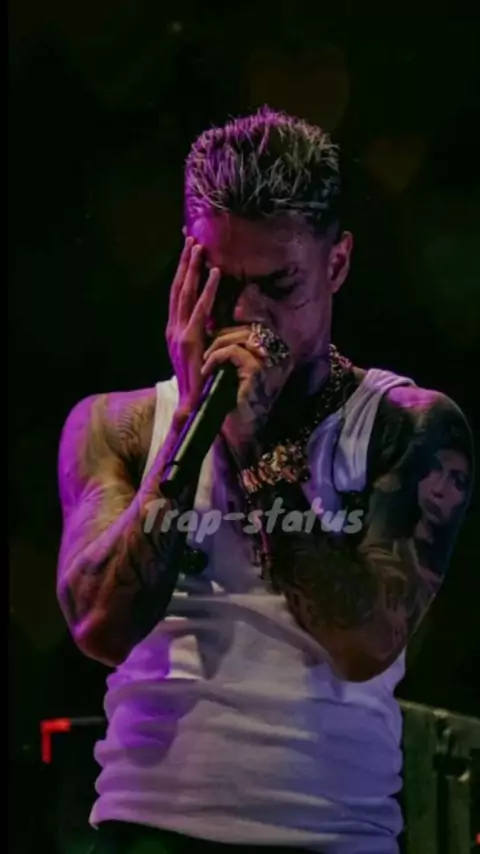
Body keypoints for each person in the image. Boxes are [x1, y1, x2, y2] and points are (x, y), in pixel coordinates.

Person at [56, 106, 473, 854]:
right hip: (146, 829)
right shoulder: (116, 425)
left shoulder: (408, 426)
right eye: (221, 282)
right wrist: (193, 423)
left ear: (335, 265)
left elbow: (362, 642)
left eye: (280, 284)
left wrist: (254, 450)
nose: (247, 313)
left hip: (331, 836)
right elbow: (99, 628)